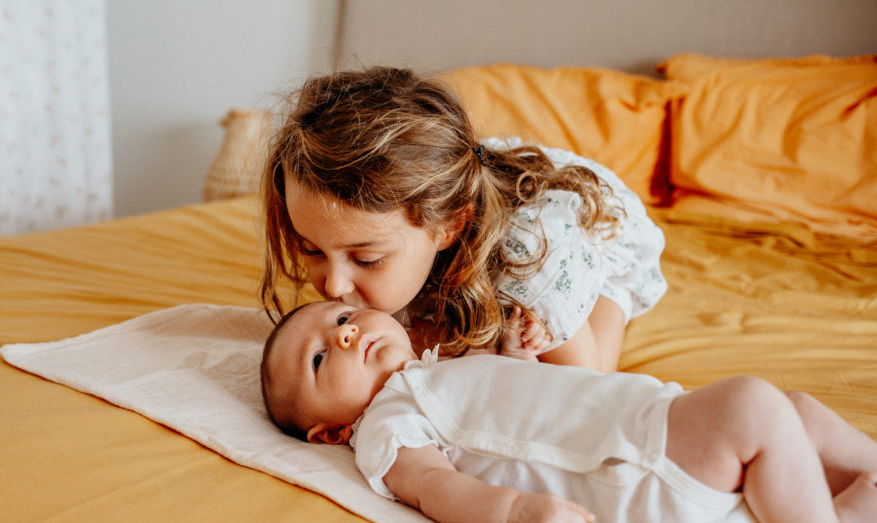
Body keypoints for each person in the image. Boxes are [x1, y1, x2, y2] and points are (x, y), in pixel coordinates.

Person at [259, 300, 877, 523]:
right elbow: (434, 486)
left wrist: (515, 357)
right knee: (754, 406)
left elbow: (506, 419)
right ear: (330, 431)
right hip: (638, 479)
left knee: (791, 410)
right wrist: (514, 513)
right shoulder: (384, 428)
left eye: (340, 318)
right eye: (318, 359)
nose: (343, 334)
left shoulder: (436, 372)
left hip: (650, 432)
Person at [260, 66, 667, 371]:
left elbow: (588, 399)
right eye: (311, 249)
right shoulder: (372, 227)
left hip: (602, 219)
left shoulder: (535, 266)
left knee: (593, 374)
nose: (333, 285)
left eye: (366, 259)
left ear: (449, 226)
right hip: (470, 191)